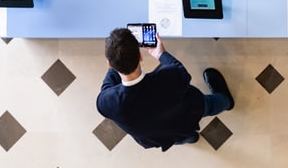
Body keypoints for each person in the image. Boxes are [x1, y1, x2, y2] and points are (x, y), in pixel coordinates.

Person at [96, 28, 234, 151]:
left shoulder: (107, 103)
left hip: (157, 136)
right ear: (140, 57)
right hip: (187, 113)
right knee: (210, 104)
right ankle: (226, 101)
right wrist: (160, 54)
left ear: (109, 64)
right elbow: (182, 72)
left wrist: (117, 61)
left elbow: (106, 87)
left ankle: (190, 138)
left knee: (178, 137)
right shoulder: (169, 77)